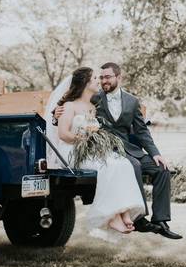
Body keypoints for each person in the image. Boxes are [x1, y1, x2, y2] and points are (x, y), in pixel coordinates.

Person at [56, 62, 181, 240]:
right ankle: (139, 219)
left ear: (118, 77)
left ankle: (161, 220)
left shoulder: (132, 101)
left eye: (108, 77)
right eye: (101, 78)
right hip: (104, 150)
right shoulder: (94, 98)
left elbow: (141, 131)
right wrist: (55, 115)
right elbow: (70, 111)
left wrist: (155, 153)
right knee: (133, 166)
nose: (104, 81)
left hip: (129, 149)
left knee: (161, 169)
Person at [51, 67, 145, 234]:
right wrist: (84, 139)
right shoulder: (69, 105)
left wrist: (95, 140)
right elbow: (63, 134)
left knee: (122, 163)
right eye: (95, 78)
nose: (99, 81)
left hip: (89, 149)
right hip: (72, 152)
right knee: (107, 165)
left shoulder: (94, 107)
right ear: (85, 83)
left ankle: (125, 212)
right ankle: (112, 216)